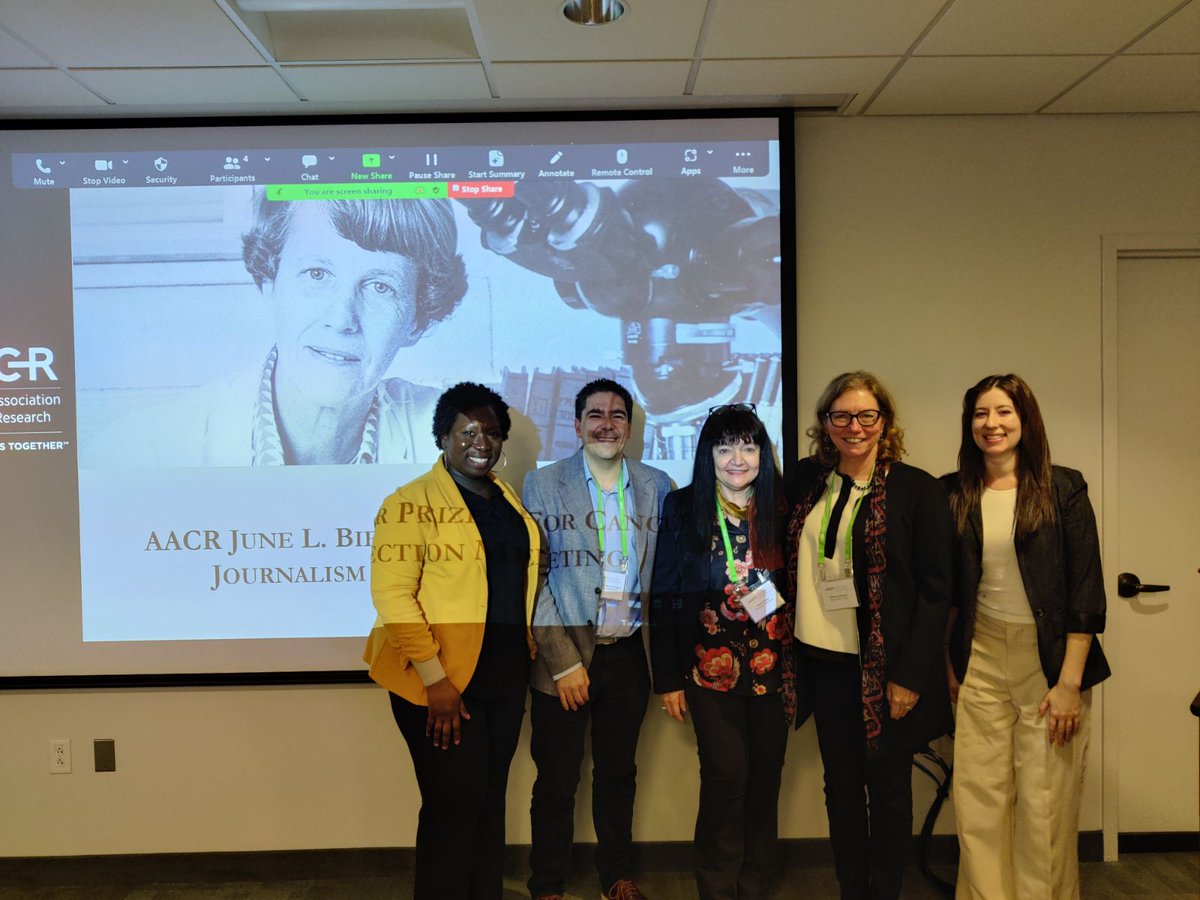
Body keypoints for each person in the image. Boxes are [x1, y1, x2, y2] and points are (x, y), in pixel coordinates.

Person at [82, 193, 467, 467]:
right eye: (317, 274)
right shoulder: (136, 455)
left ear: (418, 319)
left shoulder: (467, 449)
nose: (342, 319)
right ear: (269, 281)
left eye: (381, 287)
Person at [364, 381, 540, 900]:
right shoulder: (407, 503)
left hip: (503, 676)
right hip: (439, 685)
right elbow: (393, 597)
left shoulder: (505, 498)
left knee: (488, 803)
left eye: (491, 431)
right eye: (467, 430)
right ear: (442, 437)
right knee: (452, 806)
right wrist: (435, 681)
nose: (480, 441)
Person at [785, 371, 953, 900]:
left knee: (888, 791)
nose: (853, 427)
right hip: (823, 664)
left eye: (866, 415)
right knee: (840, 791)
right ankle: (850, 889)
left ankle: (885, 892)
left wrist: (909, 676)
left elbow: (937, 592)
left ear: (885, 422)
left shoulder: (917, 489)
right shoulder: (804, 482)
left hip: (888, 672)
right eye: (841, 416)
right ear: (825, 423)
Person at [943, 374, 1110, 900]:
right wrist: (953, 667)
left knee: (1044, 807)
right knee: (979, 800)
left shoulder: (1063, 487)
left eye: (1004, 412)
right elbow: (949, 591)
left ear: (1025, 419)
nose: (991, 424)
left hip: (1052, 662)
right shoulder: (954, 491)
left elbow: (1086, 592)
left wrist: (1069, 685)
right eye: (980, 414)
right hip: (980, 655)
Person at [522, 378, 672, 900]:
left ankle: (616, 874)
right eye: (595, 414)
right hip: (564, 655)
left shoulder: (658, 484)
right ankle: (547, 884)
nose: (606, 424)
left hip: (628, 653)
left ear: (629, 426)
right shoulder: (542, 485)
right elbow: (532, 580)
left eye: (617, 415)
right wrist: (563, 663)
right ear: (577, 424)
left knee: (618, 774)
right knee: (557, 781)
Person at [650, 403, 793, 900]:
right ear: (708, 453)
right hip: (710, 673)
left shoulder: (782, 507)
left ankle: (755, 884)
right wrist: (666, 678)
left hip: (775, 673)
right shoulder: (684, 506)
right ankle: (716, 886)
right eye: (725, 446)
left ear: (762, 452)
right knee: (726, 779)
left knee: (765, 780)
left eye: (749, 446)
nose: (738, 458)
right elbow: (664, 593)